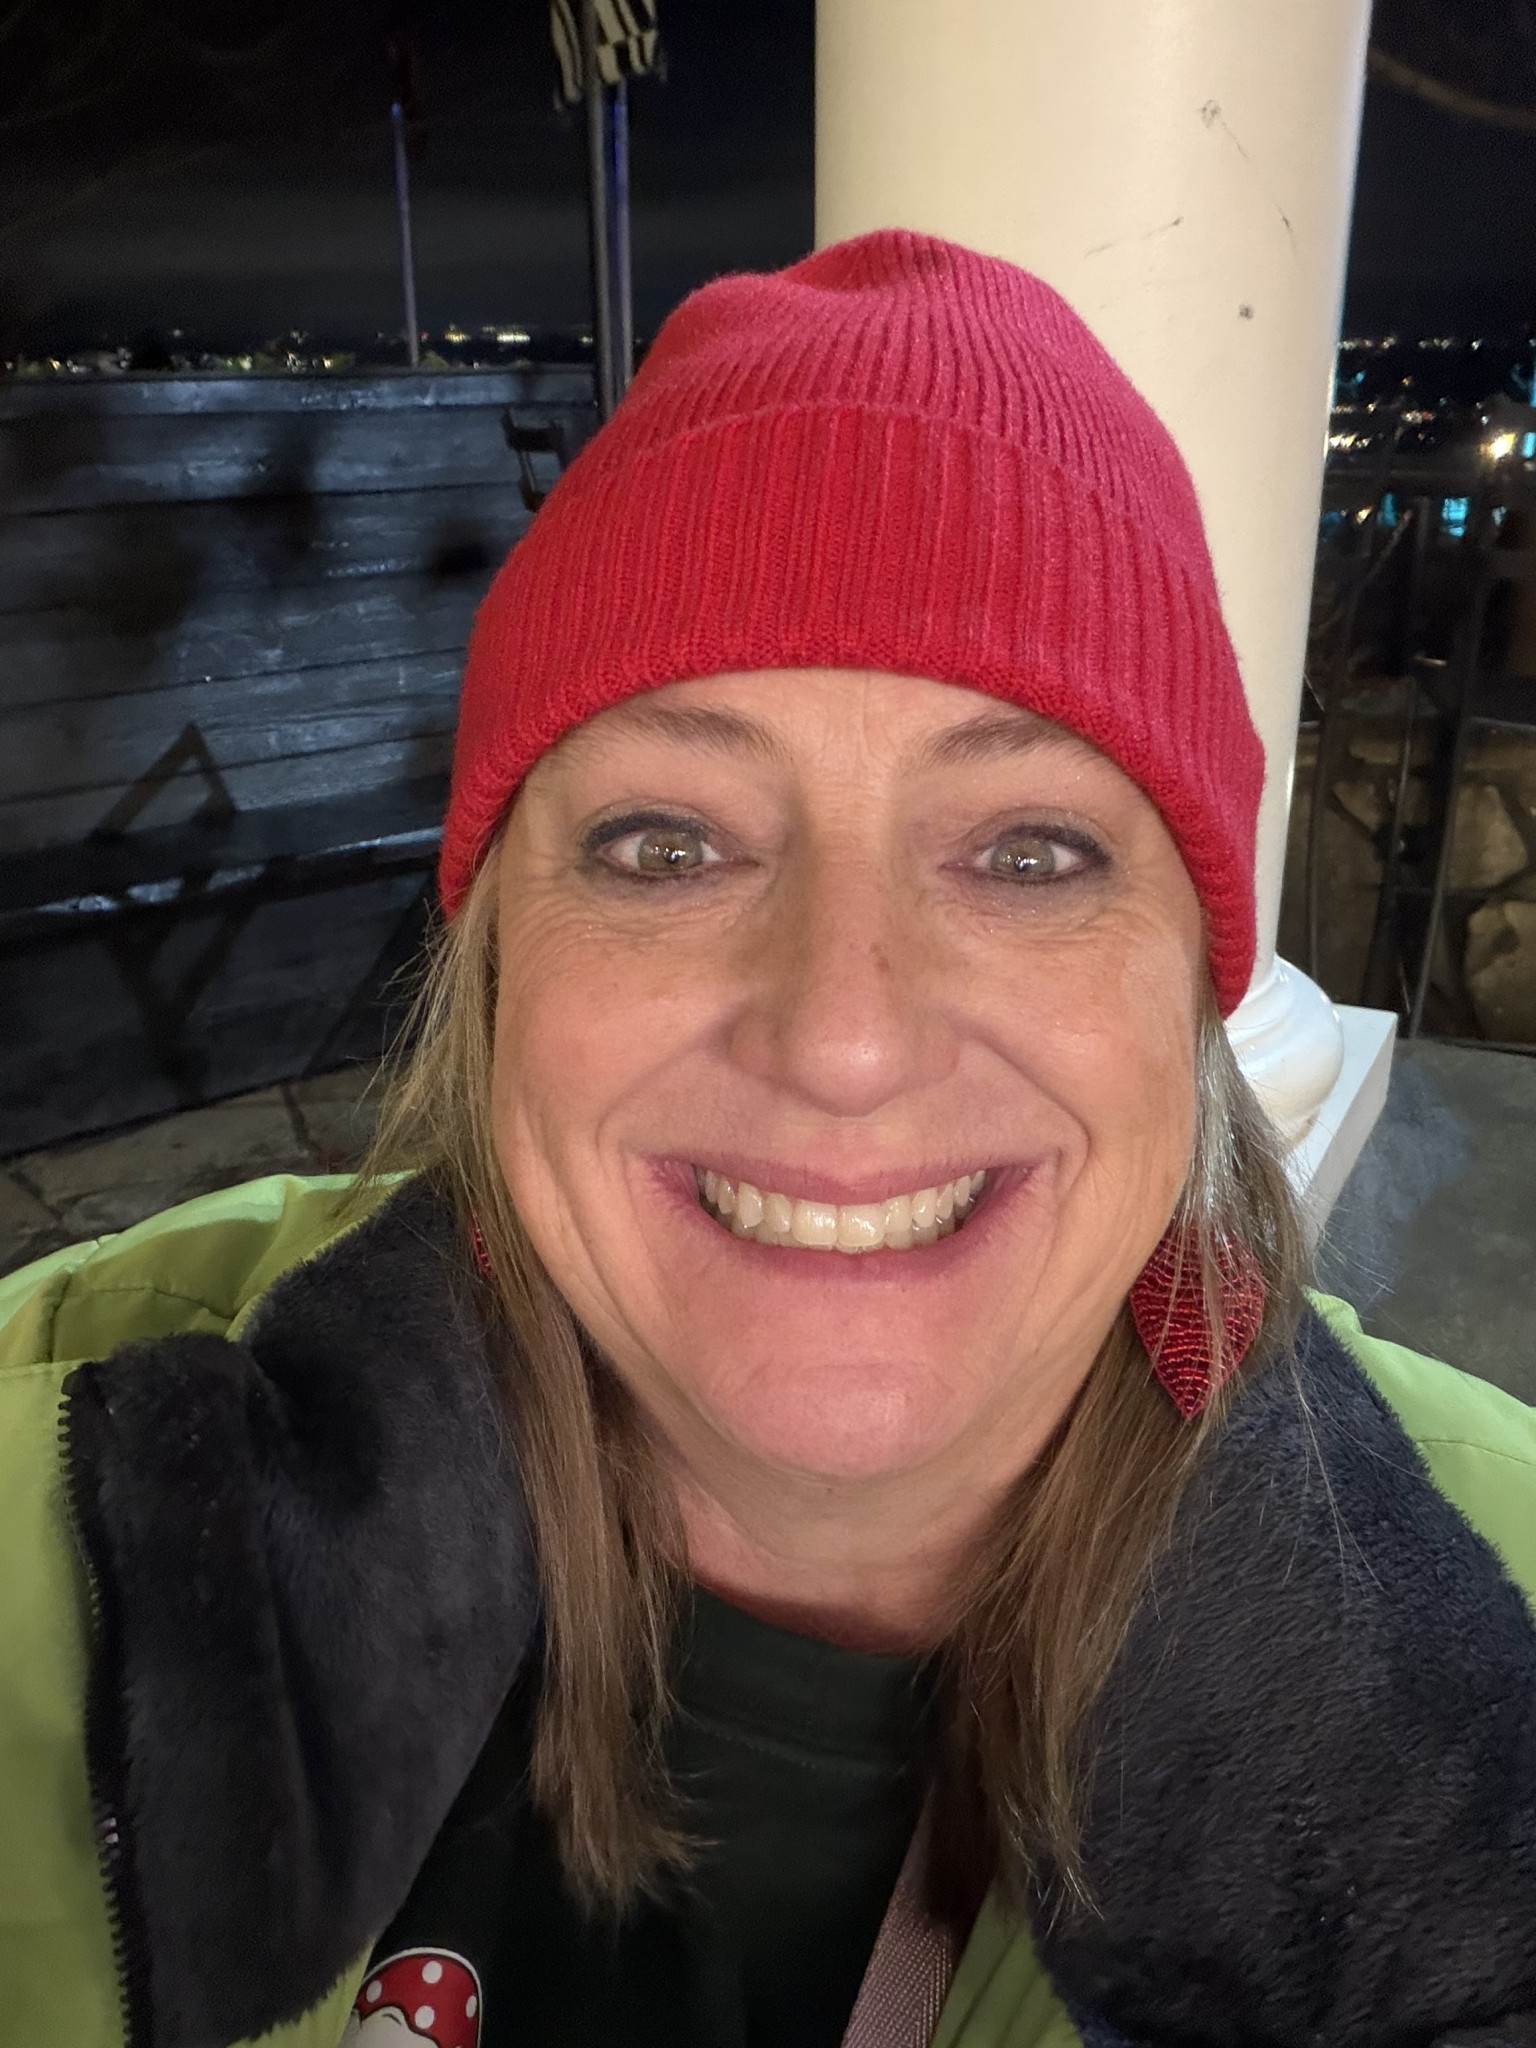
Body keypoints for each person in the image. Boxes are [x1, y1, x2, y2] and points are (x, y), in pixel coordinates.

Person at [2, 230, 1534, 2048]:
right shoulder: (73, 1474)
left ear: (1190, 991)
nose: (845, 1039)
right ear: (495, 969)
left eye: (1029, 852)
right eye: (667, 846)